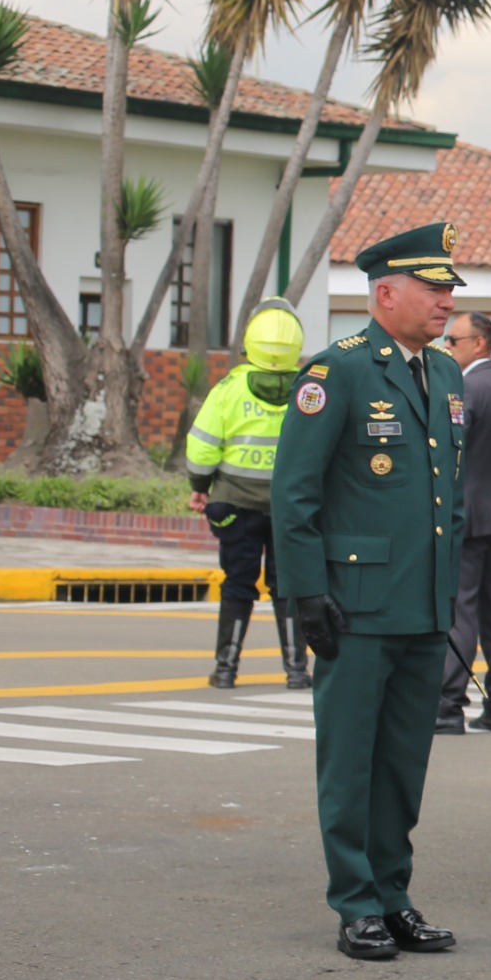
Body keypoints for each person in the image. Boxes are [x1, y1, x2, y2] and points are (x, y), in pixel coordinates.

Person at [269, 224, 467, 962]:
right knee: (350, 760)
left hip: (422, 602)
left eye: (450, 290)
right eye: (434, 288)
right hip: (355, 603)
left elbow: (450, 495)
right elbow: (294, 496)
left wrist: (451, 591)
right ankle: (355, 902)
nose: (447, 301)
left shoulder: (444, 374)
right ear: (386, 293)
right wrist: (305, 595)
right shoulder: (338, 372)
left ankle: (394, 894)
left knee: (403, 762)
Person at [186, 296, 312, 692]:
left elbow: (202, 446)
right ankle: (296, 670)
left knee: (238, 584)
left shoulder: (229, 387)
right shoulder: (309, 389)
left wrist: (199, 487)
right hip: (289, 508)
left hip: (234, 504)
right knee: (287, 586)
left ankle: (225, 669)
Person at [437, 312, 491, 734]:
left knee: (461, 611)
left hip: (468, 515)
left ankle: (449, 706)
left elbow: (452, 448)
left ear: (480, 343)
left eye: (453, 340)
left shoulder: (468, 387)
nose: (447, 347)